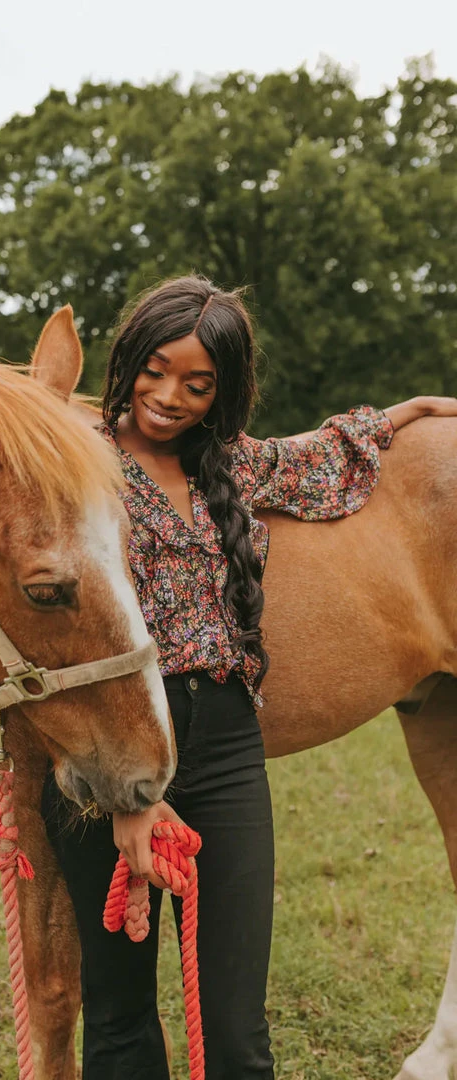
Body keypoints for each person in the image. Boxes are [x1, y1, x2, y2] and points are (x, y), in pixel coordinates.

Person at [41, 275, 457, 1080]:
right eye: (156, 371)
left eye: (198, 385)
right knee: (120, 1020)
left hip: (227, 744)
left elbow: (323, 458)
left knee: (237, 1032)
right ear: (129, 360)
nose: (169, 398)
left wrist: (404, 414)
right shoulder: (76, 467)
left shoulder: (230, 465)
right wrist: (125, 799)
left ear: (222, 394)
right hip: (113, 738)